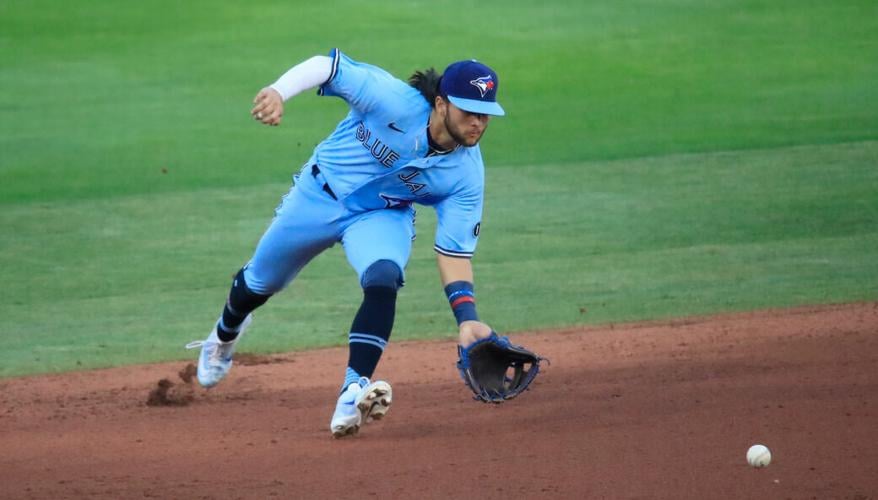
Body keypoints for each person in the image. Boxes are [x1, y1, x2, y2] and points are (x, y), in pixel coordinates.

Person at [187, 48, 505, 438]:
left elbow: (454, 253)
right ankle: (224, 334)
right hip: (317, 195)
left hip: (381, 215)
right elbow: (326, 67)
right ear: (441, 104)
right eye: (468, 111)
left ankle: (353, 390)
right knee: (258, 283)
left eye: (485, 114)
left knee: (385, 276)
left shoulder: (466, 175)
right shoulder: (391, 100)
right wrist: (278, 91)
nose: (478, 123)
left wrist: (467, 318)